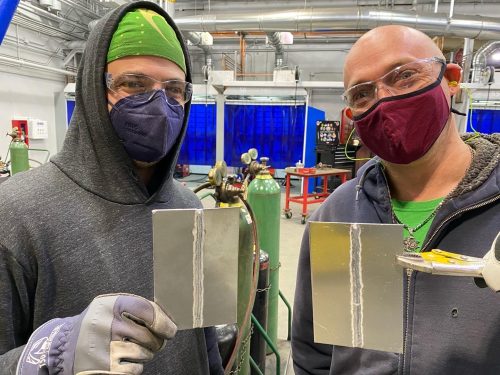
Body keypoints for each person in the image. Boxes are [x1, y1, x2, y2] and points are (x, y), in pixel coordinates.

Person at [0, 2, 223, 374]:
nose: (158, 103)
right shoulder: (17, 215)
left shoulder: (188, 207)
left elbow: (204, 344)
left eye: (174, 90)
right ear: (91, 87)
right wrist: (51, 354)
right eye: (134, 84)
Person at [292, 25, 500, 374]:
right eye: (362, 94)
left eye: (404, 76)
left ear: (450, 80)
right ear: (352, 116)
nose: (384, 100)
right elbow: (314, 354)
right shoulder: (338, 216)